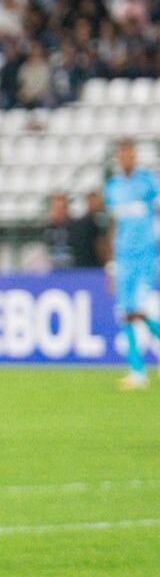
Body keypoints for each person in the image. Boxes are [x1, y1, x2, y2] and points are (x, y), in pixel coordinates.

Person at [104, 139, 160, 390]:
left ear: (135, 156)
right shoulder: (112, 187)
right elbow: (114, 225)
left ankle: (138, 371)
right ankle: (137, 372)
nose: (127, 158)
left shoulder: (147, 182)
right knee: (126, 314)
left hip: (145, 256)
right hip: (123, 258)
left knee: (137, 308)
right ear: (118, 157)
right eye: (123, 155)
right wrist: (111, 263)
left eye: (131, 154)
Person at [70, 190, 108, 268]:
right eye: (95, 200)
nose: (98, 203)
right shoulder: (91, 222)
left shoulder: (97, 220)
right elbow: (99, 246)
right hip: (91, 266)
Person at [43, 192, 73, 270]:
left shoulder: (76, 229)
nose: (59, 212)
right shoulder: (45, 229)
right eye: (56, 208)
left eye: (62, 208)